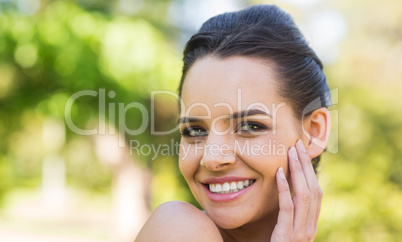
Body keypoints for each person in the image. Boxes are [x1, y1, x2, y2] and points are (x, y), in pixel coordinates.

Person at [136, 4, 331, 241]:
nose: (213, 158)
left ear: (314, 131)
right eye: (195, 130)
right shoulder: (177, 228)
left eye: (250, 126)